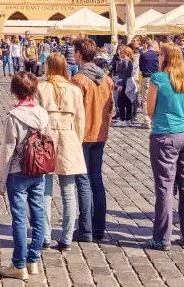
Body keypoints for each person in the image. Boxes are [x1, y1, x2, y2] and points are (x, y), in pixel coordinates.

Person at [146, 42, 184, 249]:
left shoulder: (158, 79)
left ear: (165, 57)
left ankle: (162, 237)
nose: (158, 57)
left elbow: (150, 109)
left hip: (165, 135)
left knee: (165, 188)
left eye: (160, 54)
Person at [0, 71, 49, 280]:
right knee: (38, 216)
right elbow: (49, 140)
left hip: (18, 172)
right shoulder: (43, 113)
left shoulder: (14, 117)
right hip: (38, 170)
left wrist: (1, 180)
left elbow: (7, 151)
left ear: (14, 92)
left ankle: (19, 264)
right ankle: (33, 260)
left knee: (19, 219)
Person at [36, 53, 86, 251]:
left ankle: (45, 236)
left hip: (47, 138)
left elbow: (37, 117)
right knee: (68, 191)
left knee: (45, 191)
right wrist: (78, 141)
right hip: (69, 137)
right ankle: (66, 237)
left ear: (48, 67)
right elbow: (80, 120)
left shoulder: (41, 87)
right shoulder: (74, 90)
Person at [72, 38, 114, 243]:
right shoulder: (106, 79)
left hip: (84, 134)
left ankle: (86, 229)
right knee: (96, 179)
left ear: (79, 53)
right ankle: (99, 228)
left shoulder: (79, 80)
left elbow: (74, 111)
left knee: (84, 181)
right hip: (101, 133)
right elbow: (111, 110)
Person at [139, 39, 159, 128]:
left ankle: (147, 120)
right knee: (156, 99)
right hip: (157, 78)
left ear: (147, 45)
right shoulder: (158, 55)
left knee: (146, 99)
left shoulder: (143, 55)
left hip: (146, 77)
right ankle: (155, 120)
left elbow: (141, 67)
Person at [114, 45, 135, 126]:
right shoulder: (128, 61)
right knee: (128, 102)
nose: (120, 53)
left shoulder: (125, 61)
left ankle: (122, 119)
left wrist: (121, 85)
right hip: (127, 83)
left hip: (124, 84)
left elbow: (124, 74)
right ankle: (128, 119)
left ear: (126, 53)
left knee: (121, 101)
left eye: (121, 52)